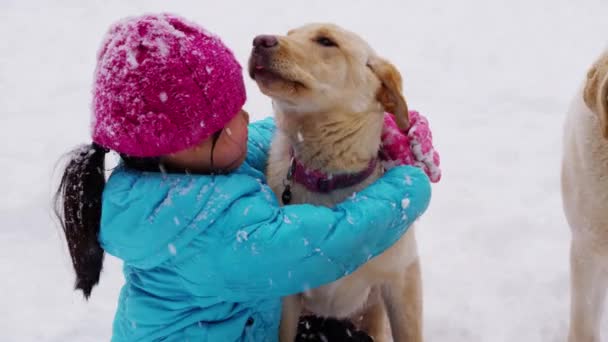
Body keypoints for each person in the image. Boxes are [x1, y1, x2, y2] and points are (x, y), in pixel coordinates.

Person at [53, 14, 432, 341]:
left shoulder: (169, 181)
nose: (248, 119)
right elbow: (334, 240)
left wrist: (369, 130)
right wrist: (408, 183)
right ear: (191, 145)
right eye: (232, 116)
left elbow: (257, 139)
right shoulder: (222, 232)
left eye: (322, 42)